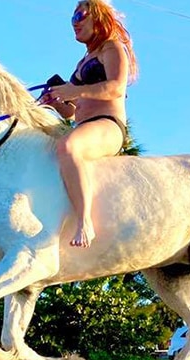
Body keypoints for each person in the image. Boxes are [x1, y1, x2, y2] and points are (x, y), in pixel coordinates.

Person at [39, 0, 138, 248]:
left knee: (68, 147)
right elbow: (72, 112)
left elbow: (116, 87)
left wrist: (73, 90)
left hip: (108, 125)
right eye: (72, 19)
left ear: (98, 17)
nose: (75, 23)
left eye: (80, 16)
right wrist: (55, 102)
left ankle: (85, 222)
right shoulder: (82, 62)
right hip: (83, 126)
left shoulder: (112, 47)